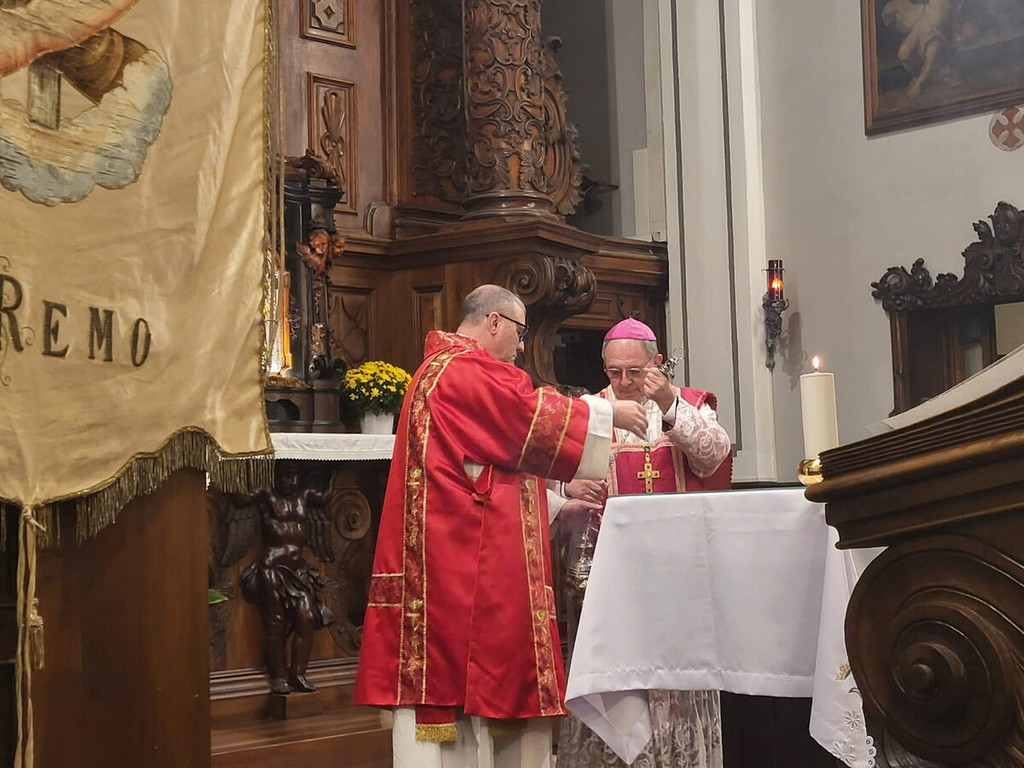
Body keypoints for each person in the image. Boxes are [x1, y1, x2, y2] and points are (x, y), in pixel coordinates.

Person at [353, 284, 648, 768]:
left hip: (460, 555)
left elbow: (488, 470)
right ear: (494, 321)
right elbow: (522, 416)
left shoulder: (444, 370)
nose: (521, 346)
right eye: (519, 332)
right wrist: (607, 410)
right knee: (451, 705)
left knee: (482, 704)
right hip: (453, 571)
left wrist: (558, 506)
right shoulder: (459, 371)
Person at [554, 316, 732, 768]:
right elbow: (549, 471)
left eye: (634, 371)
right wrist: (567, 488)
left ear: (657, 363)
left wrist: (669, 402)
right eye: (614, 372)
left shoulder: (688, 405)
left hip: (676, 575)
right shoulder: (589, 411)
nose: (624, 382)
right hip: (607, 576)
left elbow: (714, 455)